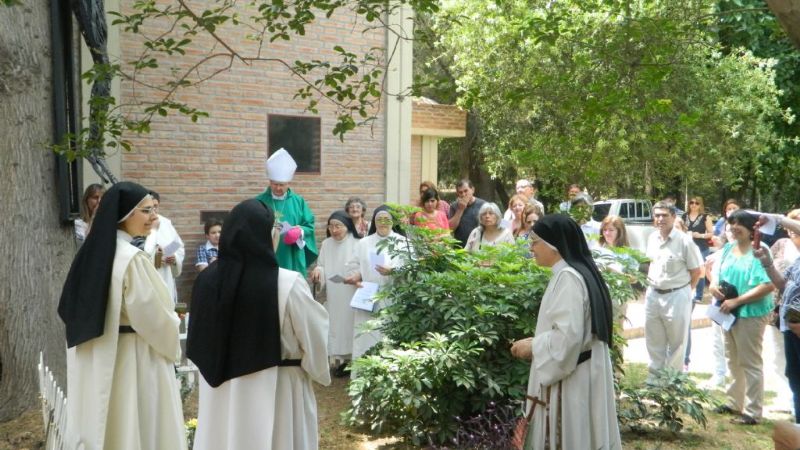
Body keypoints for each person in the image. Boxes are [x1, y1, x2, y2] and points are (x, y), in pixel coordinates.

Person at [187, 199, 330, 450]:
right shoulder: (287, 283)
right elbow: (313, 333)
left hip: (220, 392)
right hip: (280, 386)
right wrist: (316, 367)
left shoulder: (206, 281)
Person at [58, 181, 186, 450]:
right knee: (137, 424)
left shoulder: (92, 255)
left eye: (154, 209)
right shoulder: (131, 259)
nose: (154, 217)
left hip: (104, 353)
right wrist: (174, 323)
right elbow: (154, 319)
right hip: (135, 357)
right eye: (147, 211)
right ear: (125, 214)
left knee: (113, 423)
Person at [510, 214, 620, 450]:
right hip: (583, 369)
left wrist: (533, 347)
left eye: (536, 241)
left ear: (555, 246)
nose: (531, 246)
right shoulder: (575, 273)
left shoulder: (568, 278)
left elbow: (566, 339)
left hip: (571, 380)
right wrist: (536, 339)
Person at [710, 209, 774, 425]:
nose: (734, 227)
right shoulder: (728, 248)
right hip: (728, 312)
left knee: (750, 361)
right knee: (732, 358)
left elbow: (767, 284)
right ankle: (733, 402)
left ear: (751, 228)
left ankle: (753, 411)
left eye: (739, 223)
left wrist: (737, 301)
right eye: (731, 223)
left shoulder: (759, 250)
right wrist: (712, 286)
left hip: (750, 313)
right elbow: (716, 274)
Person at [644, 201, 703, 382]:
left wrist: (684, 292)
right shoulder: (652, 238)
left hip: (677, 295)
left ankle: (671, 383)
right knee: (654, 340)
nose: (660, 219)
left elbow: (696, 272)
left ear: (674, 217)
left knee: (677, 343)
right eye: (657, 215)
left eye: (665, 215)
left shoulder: (685, 241)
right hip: (653, 294)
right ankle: (654, 380)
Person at [344, 205, 409, 365]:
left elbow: (411, 268)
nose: (383, 223)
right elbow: (355, 264)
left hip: (393, 297)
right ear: (374, 221)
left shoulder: (403, 242)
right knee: (367, 335)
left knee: (389, 337)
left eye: (387, 219)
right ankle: (364, 376)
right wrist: (356, 276)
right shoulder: (364, 243)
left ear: (393, 221)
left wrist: (394, 270)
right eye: (379, 219)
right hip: (368, 296)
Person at [757, 212, 800, 423]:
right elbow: (783, 284)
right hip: (790, 325)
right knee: (794, 374)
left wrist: (779, 219)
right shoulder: (798, 259)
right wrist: (767, 264)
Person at [310, 211, 360, 377]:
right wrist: (318, 271)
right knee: (336, 325)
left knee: (351, 325)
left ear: (347, 226)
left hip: (353, 291)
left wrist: (356, 276)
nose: (334, 230)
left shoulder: (358, 243)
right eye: (331, 226)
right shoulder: (326, 244)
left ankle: (354, 360)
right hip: (335, 293)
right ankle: (339, 361)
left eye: (338, 226)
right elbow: (322, 264)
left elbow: (363, 265)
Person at [256, 148, 318, 276]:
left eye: (282, 184)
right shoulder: (259, 201)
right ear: (270, 182)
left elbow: (309, 226)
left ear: (288, 183)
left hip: (292, 254)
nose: (278, 188)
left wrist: (299, 231)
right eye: (274, 184)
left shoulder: (298, 201)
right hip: (266, 253)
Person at [143, 191, 185, 304]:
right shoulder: (139, 222)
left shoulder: (165, 223)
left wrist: (172, 257)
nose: (153, 210)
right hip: (146, 281)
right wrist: (155, 258)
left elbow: (177, 245)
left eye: (156, 206)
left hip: (165, 275)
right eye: (150, 207)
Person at [448, 179, 486, 248]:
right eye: (460, 192)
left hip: (479, 248)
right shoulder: (454, 206)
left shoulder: (483, 205)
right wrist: (460, 209)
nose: (463, 194)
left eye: (466, 191)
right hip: (460, 249)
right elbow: (450, 229)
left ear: (472, 190)